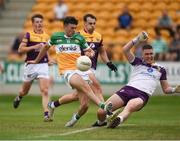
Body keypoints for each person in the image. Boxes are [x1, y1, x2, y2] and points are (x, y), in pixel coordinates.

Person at [27, 16, 113, 127]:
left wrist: (89, 54)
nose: (74, 30)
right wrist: (36, 60)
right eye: (72, 28)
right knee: (86, 87)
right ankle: (103, 107)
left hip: (81, 69)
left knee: (85, 104)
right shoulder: (55, 37)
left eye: (75, 28)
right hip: (68, 71)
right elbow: (45, 48)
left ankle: (70, 116)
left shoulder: (79, 38)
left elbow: (90, 51)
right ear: (65, 26)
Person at [92, 31, 180, 128]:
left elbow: (166, 89)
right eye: (146, 54)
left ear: (153, 54)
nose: (149, 56)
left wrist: (174, 90)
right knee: (101, 111)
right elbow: (125, 49)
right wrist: (137, 39)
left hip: (142, 95)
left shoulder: (161, 69)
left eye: (151, 54)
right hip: (128, 89)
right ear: (142, 55)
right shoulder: (138, 62)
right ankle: (101, 122)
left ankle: (118, 120)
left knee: (130, 106)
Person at [13, 14, 51, 122]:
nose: (39, 24)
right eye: (37, 22)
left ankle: (46, 114)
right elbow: (20, 50)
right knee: (24, 91)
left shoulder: (46, 36)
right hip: (30, 65)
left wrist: (49, 59)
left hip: (42, 65)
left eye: (41, 21)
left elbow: (46, 51)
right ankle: (19, 97)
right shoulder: (29, 35)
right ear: (33, 24)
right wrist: (34, 46)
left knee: (45, 90)